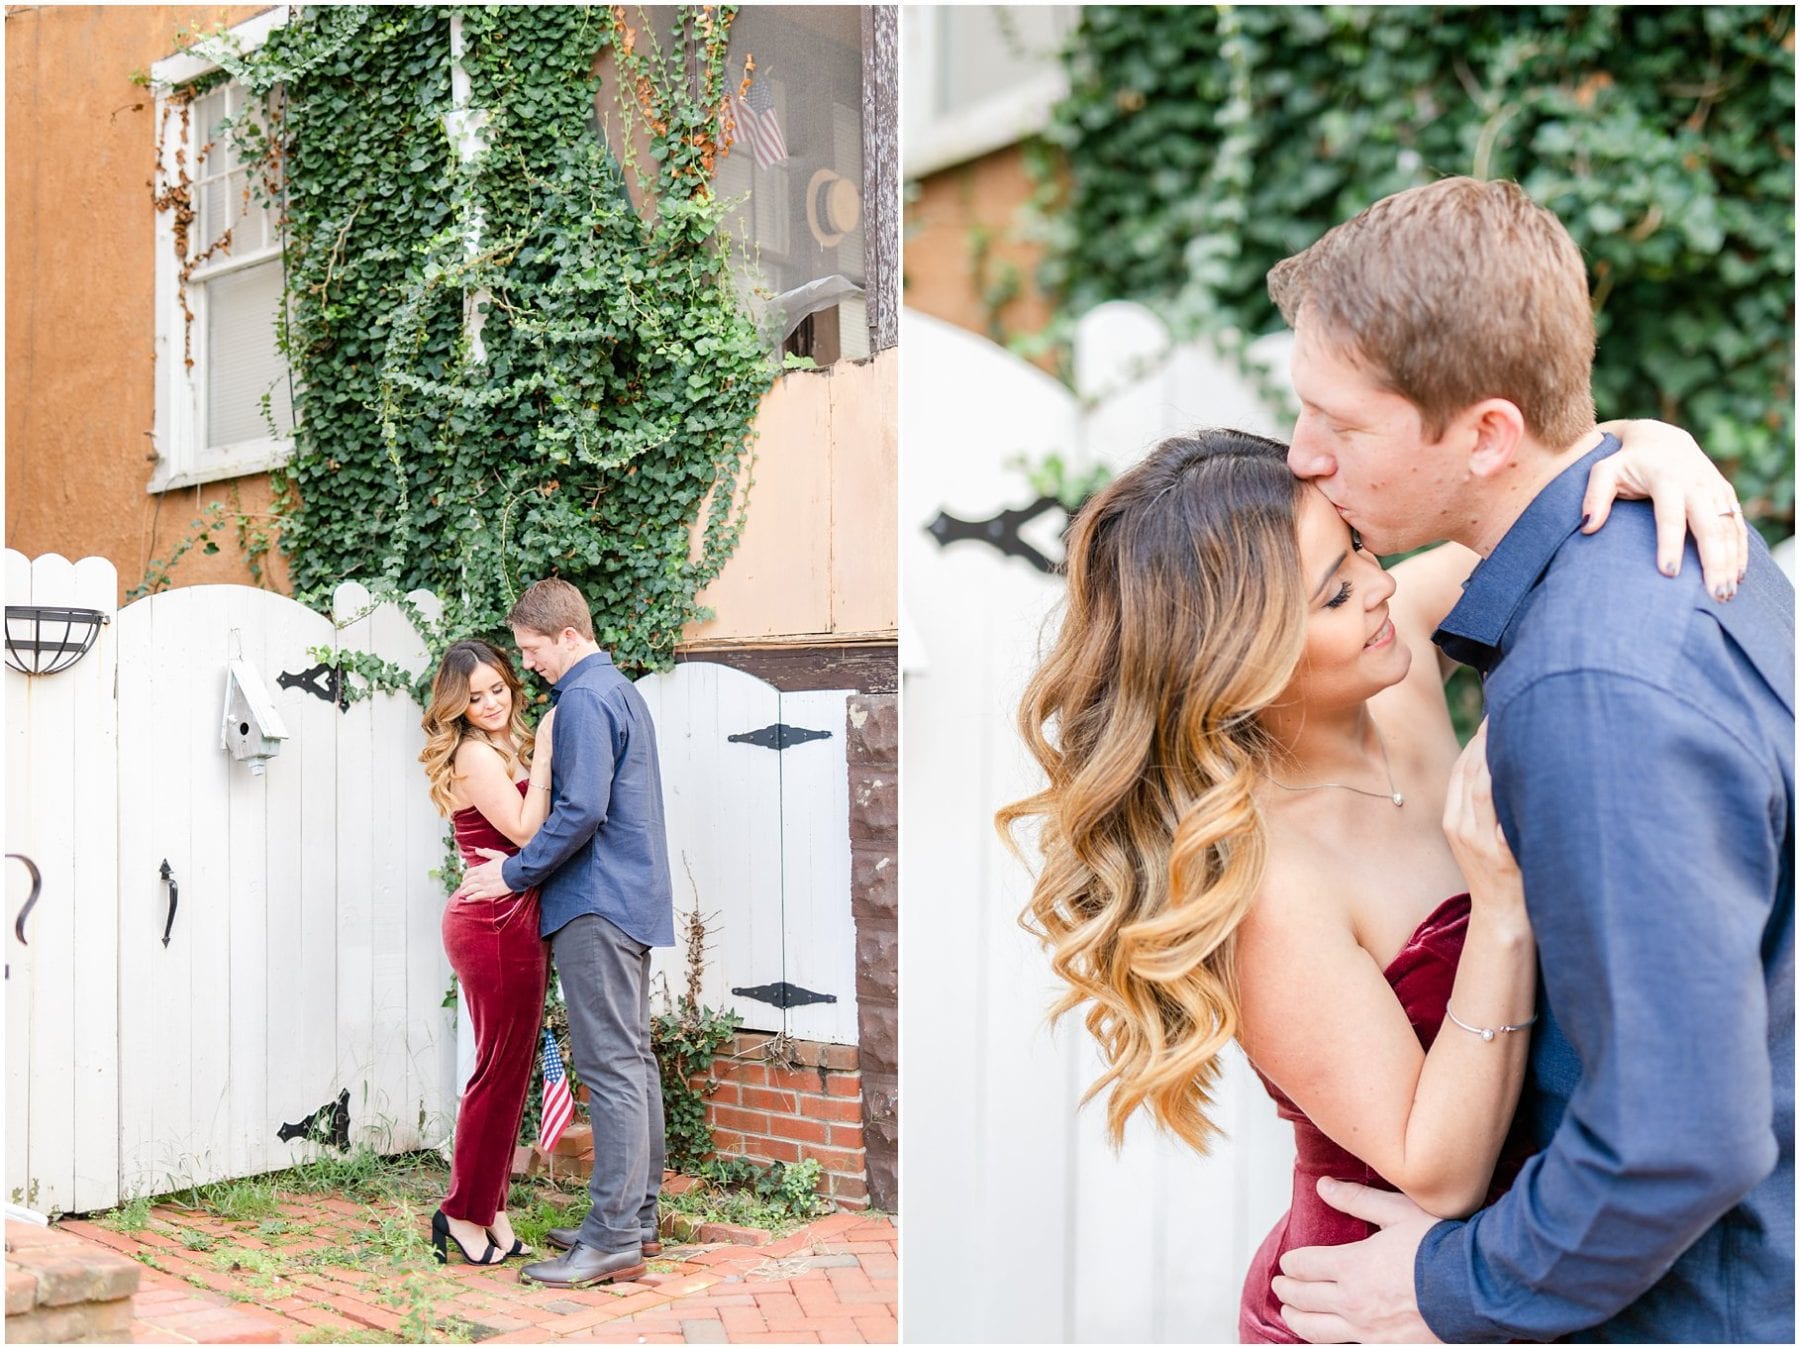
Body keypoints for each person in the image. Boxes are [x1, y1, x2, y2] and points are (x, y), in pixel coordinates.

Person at [1000, 418, 1744, 1343]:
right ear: (1242, 659)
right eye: (1336, 590)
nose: (1384, 583)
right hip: (1363, 1295)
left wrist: (1659, 445)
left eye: (1355, 547)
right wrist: (1502, 905)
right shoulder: (1267, 881)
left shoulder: (1390, 668)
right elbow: (1437, 1168)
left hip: (1504, 1266)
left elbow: (1547, 505)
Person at [1266, 177, 1793, 1343]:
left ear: (1490, 431)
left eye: (1342, 425)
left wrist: (1456, 1283)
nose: (1305, 456)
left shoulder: (1587, 680)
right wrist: (1645, 438)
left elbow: (1678, 1133)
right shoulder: (1674, 544)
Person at [455, 577, 675, 1289]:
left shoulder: (582, 697)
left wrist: (515, 875)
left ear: (568, 635)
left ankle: (612, 1237)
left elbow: (580, 811)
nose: (531, 663)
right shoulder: (619, 691)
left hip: (594, 901)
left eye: (533, 648)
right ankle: (633, 1220)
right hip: (630, 897)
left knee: (612, 1067)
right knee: (632, 1061)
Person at [419, 638, 554, 1266]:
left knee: (510, 1073)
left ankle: (491, 1205)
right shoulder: (475, 754)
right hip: (491, 921)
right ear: (458, 707)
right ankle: (461, 1212)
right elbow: (526, 829)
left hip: (512, 916)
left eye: (498, 687)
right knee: (496, 1072)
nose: (492, 702)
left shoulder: (502, 744)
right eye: (475, 697)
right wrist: (549, 751)